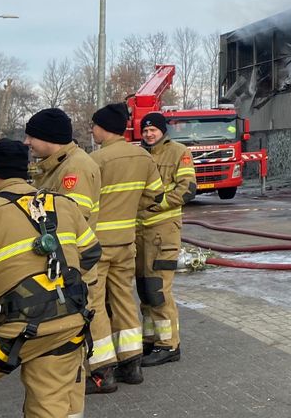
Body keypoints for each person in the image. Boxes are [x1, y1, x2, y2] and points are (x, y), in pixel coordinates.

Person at [0, 139, 100, 418]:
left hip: (7, 331)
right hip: (67, 324)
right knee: (51, 403)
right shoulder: (63, 205)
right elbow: (90, 254)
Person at [23, 107, 114, 401]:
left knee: (91, 310)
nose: (27, 142)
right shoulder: (56, 165)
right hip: (68, 259)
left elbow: (71, 218)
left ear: (48, 138)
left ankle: (101, 371)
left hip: (76, 261)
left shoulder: (75, 169)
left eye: (31, 136)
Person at [87, 103, 162, 387]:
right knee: (124, 300)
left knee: (95, 303)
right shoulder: (143, 156)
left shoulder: (96, 160)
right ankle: (132, 364)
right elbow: (155, 195)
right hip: (126, 242)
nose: (92, 130)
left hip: (96, 245)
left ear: (103, 127)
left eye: (93, 125)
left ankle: (103, 369)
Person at [135, 112, 195, 367]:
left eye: (153, 130)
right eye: (145, 130)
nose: (149, 134)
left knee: (158, 290)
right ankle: (151, 339)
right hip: (140, 232)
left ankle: (169, 344)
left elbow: (187, 189)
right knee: (145, 290)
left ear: (162, 131)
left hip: (163, 232)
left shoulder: (179, 152)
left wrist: (155, 205)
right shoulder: (138, 156)